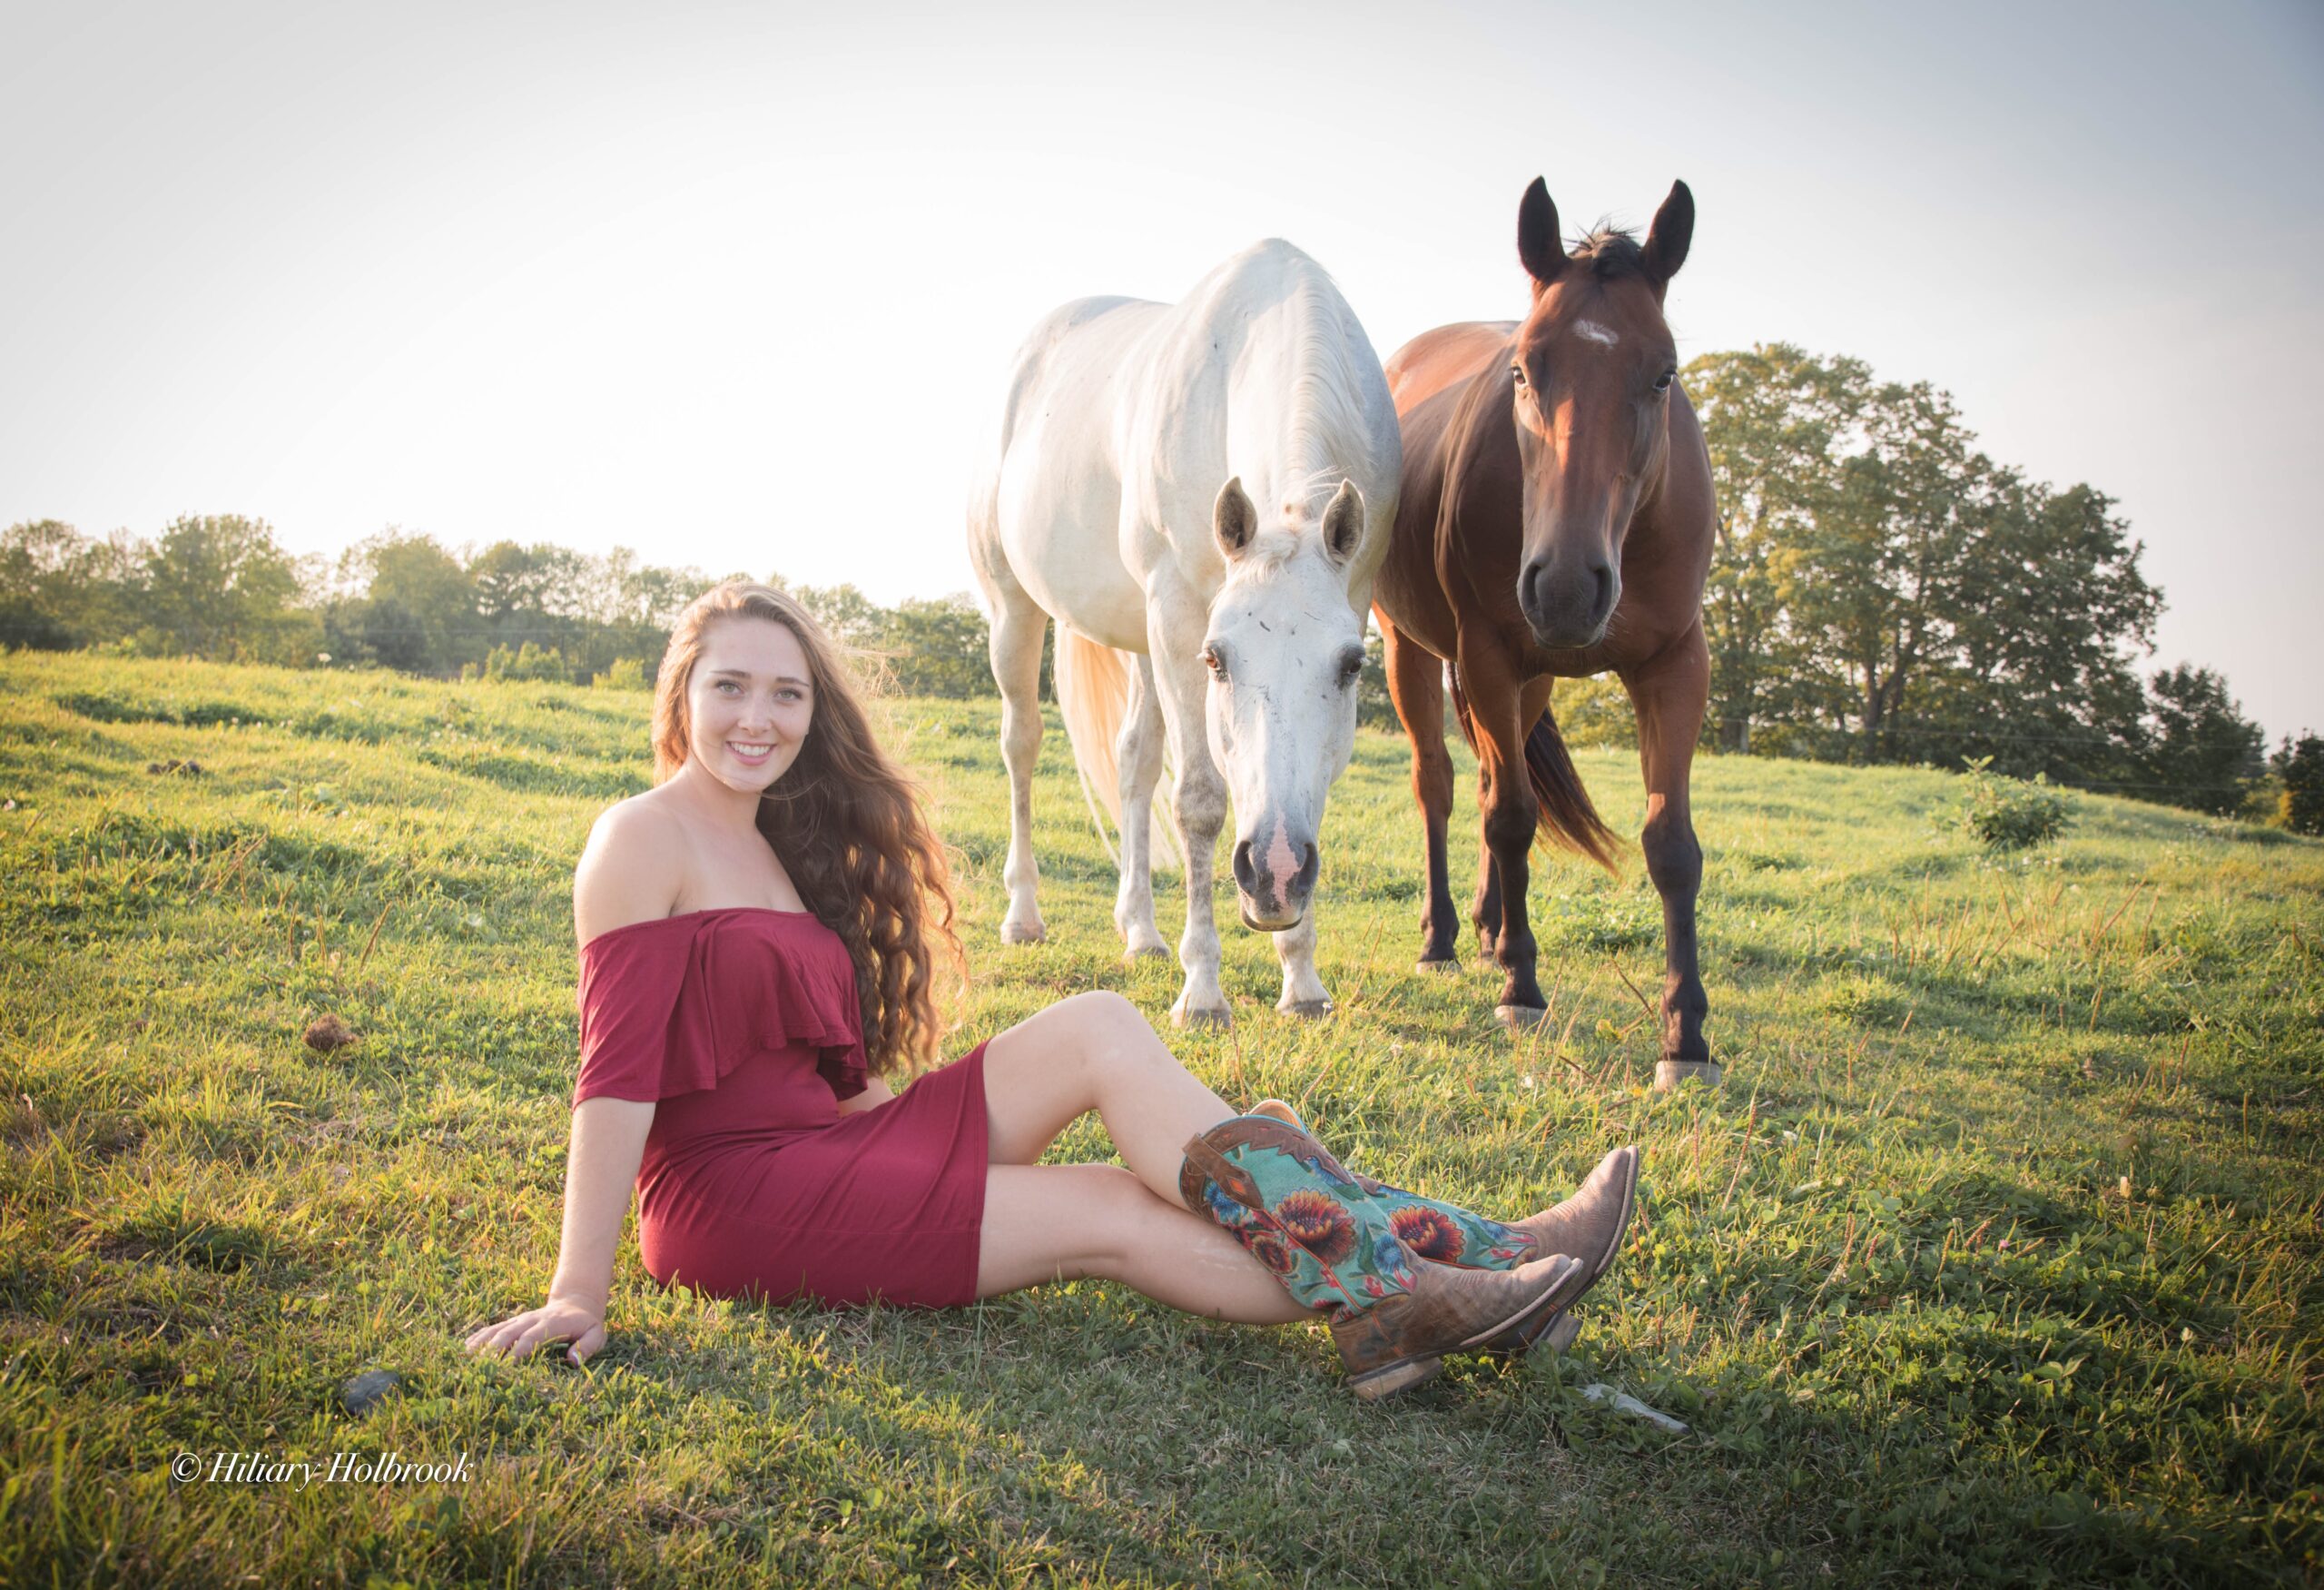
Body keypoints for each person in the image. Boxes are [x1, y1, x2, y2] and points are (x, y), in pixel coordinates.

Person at [463, 581, 1640, 1399]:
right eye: (731, 688)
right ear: (684, 694)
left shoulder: (780, 848)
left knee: (1098, 1024)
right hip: (731, 1199)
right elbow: (615, 1079)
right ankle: (1410, 1293)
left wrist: (884, 1119)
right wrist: (581, 1288)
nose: (758, 718)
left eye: (786, 694)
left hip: (836, 1142)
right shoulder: (640, 840)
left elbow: (823, 1067)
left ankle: (1481, 1255)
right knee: (1108, 1212)